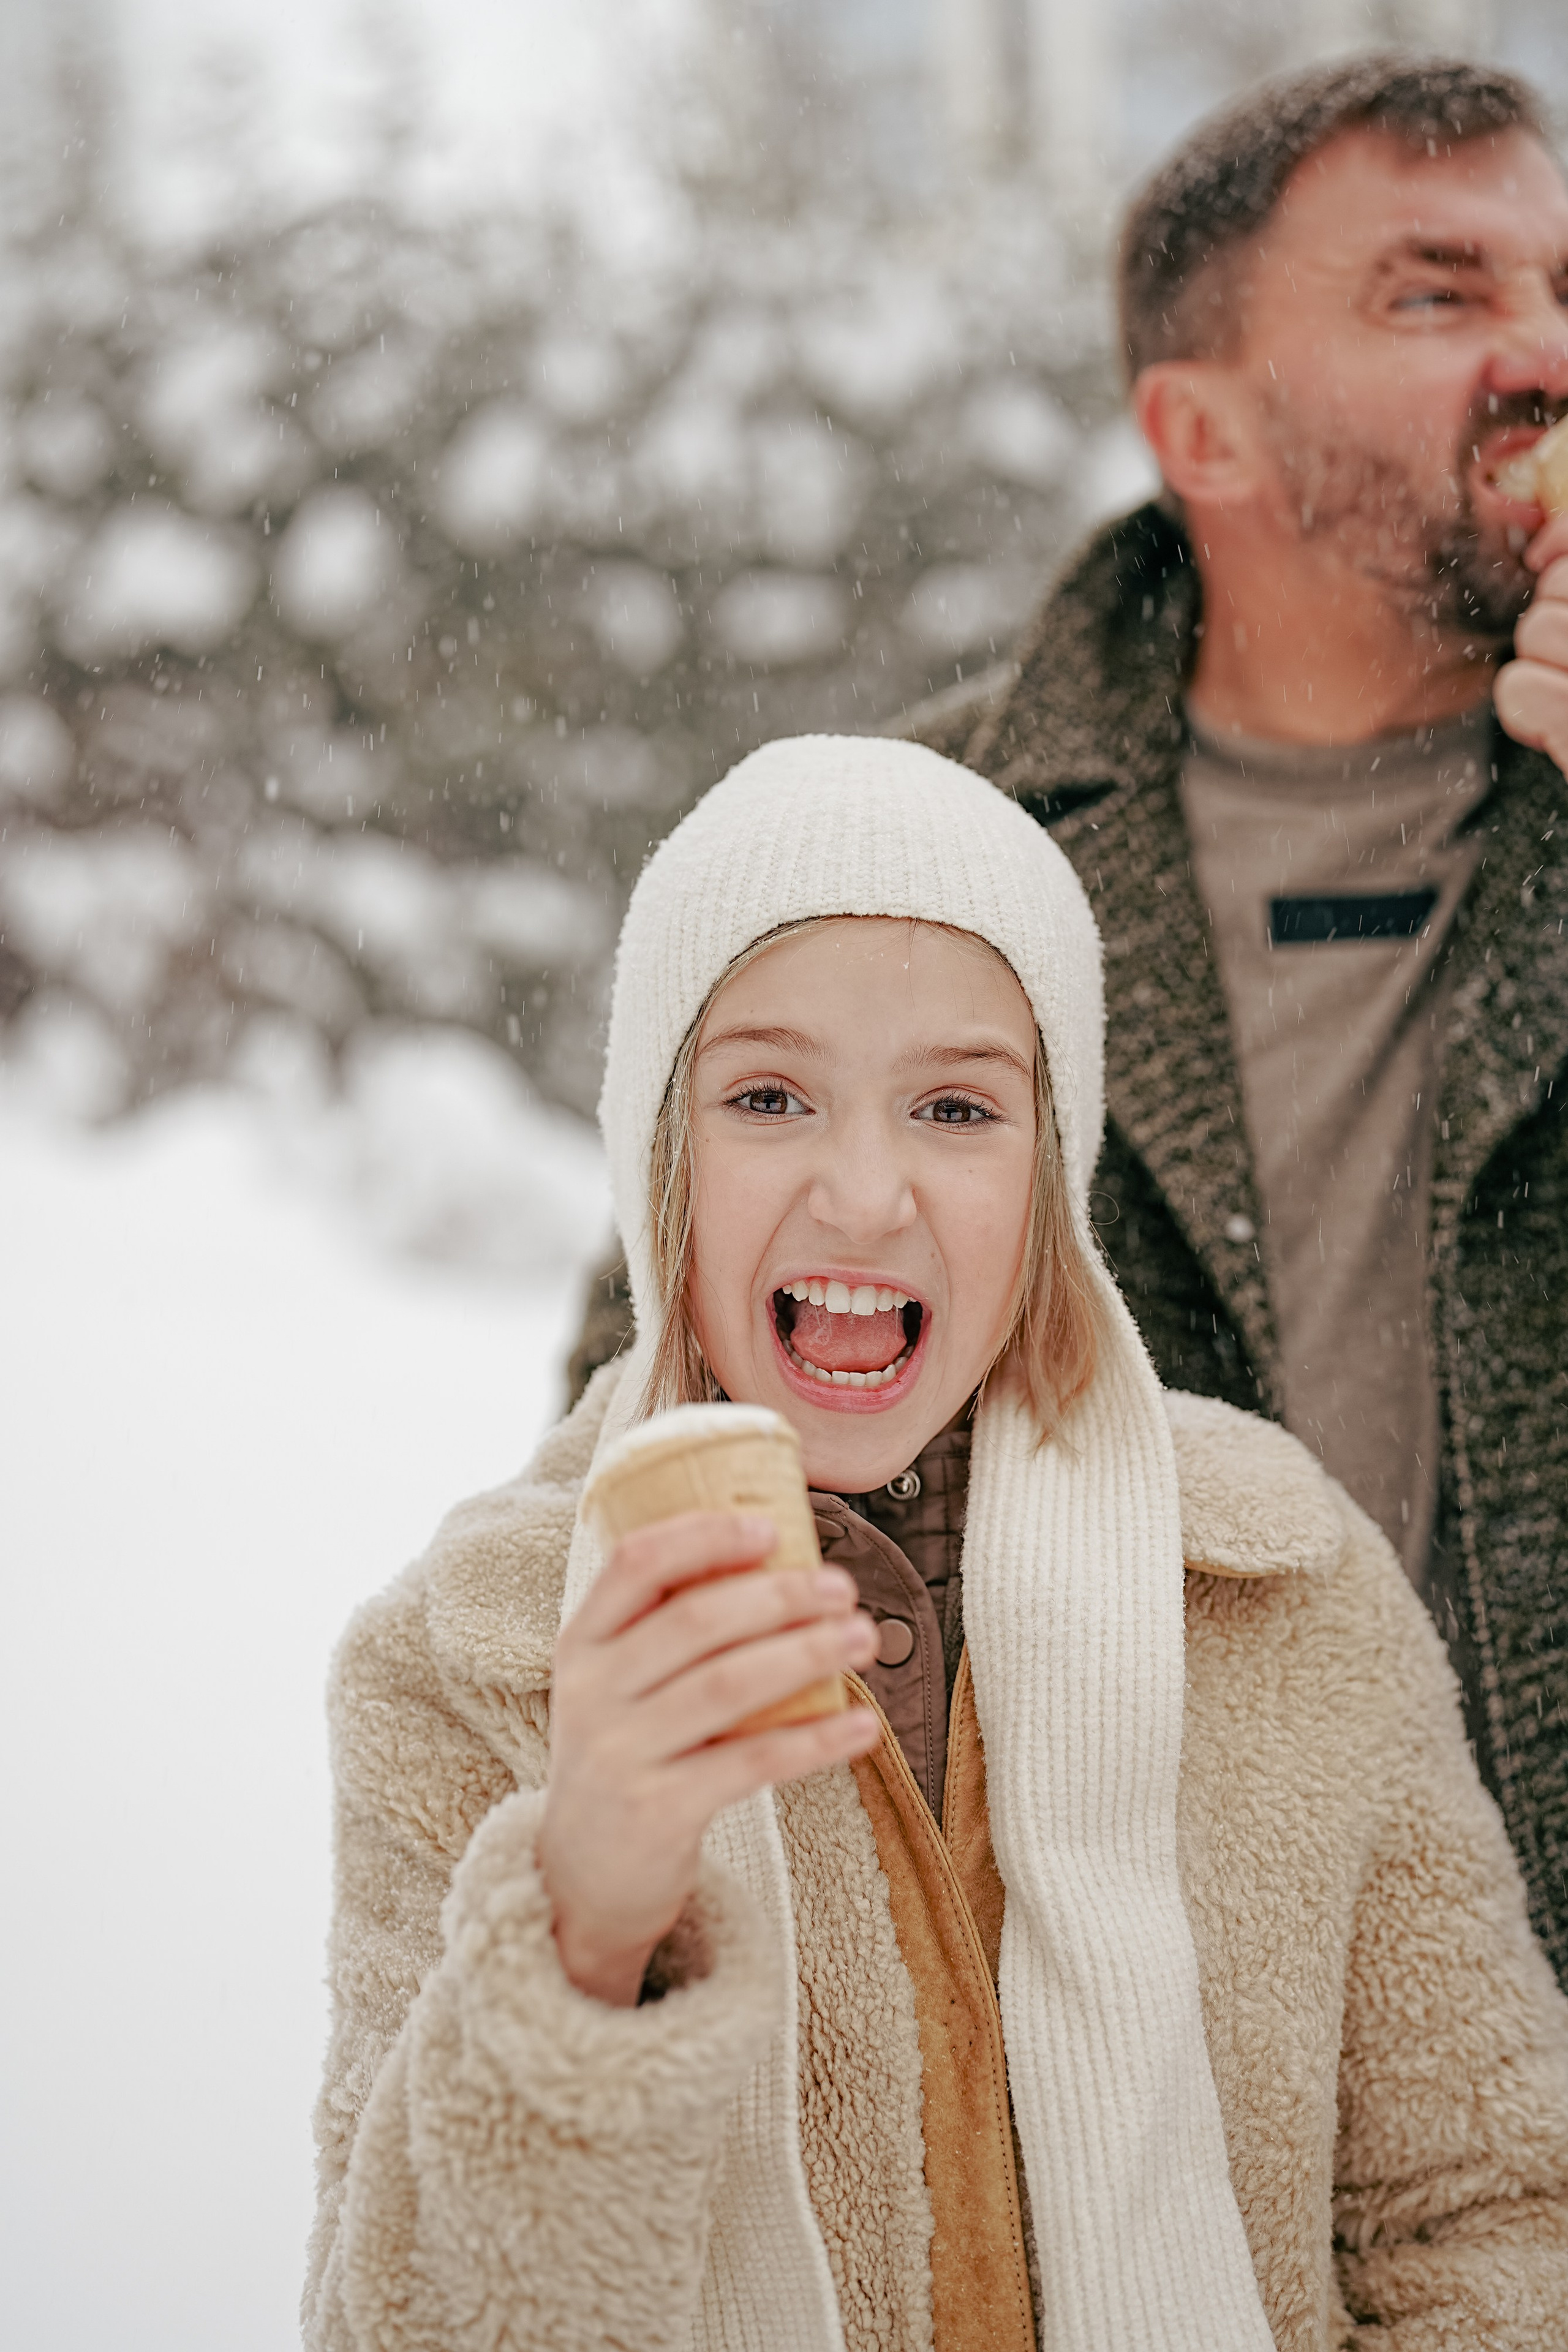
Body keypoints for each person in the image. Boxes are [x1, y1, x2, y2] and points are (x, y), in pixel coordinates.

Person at [306, 735, 1568, 2352]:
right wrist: (585, 1924)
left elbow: (1497, 2216)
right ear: (658, 1156)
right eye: (770, 1097)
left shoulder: (1278, 1585)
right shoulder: (472, 1666)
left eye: (957, 1107)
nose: (865, 1193)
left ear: (1052, 1175)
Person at [568, 53, 1568, 1992]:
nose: (1543, 351)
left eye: (1564, 289)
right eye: (1439, 294)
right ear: (1202, 431)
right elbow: (656, 1416)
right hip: (1110, 2068)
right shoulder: (918, 838)